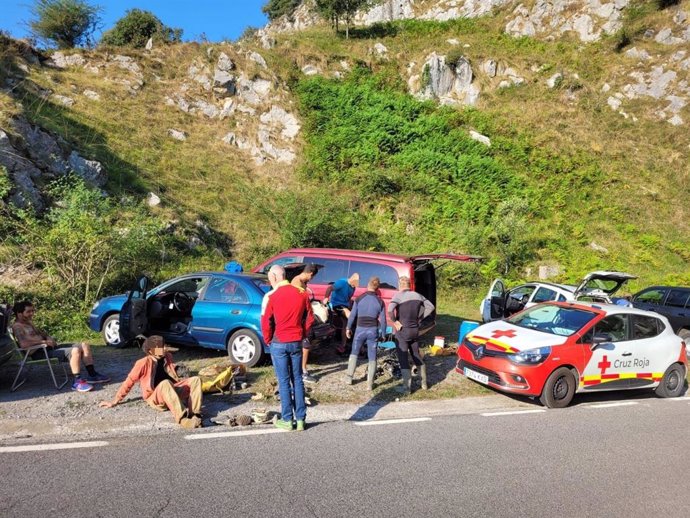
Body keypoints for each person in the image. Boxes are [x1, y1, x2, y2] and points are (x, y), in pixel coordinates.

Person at [99, 335, 203, 429]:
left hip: (172, 391)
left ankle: (194, 415)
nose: (163, 349)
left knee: (196, 380)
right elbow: (129, 382)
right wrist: (115, 400)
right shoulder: (142, 363)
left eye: (163, 346)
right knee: (165, 383)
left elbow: (170, 371)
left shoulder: (168, 357)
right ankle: (183, 419)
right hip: (156, 397)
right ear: (150, 351)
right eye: (159, 348)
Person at [12, 300, 110, 392]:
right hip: (40, 353)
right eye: (28, 311)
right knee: (75, 350)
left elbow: (43, 333)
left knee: (84, 345)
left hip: (48, 348)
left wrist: (48, 338)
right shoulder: (17, 327)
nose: (32, 313)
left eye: (33, 311)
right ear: (19, 313)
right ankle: (77, 382)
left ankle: (92, 375)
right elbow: (24, 344)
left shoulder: (29, 323)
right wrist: (44, 342)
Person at [262, 274, 315, 431]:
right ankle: (300, 420)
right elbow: (310, 318)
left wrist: (268, 339)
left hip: (279, 342)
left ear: (275, 277)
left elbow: (266, 320)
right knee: (297, 379)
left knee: (284, 381)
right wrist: (302, 334)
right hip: (296, 341)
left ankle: (287, 419)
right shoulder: (302, 294)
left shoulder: (273, 295)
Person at [387, 276, 435, 394]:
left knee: (403, 358)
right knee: (416, 354)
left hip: (403, 330)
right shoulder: (418, 295)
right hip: (415, 330)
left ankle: (406, 388)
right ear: (409, 285)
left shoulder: (398, 296)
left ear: (400, 285)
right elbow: (431, 307)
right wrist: (420, 317)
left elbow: (390, 310)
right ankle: (424, 384)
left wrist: (395, 322)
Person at [345, 276, 387, 390]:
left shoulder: (359, 298)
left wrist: (348, 328)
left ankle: (349, 378)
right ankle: (369, 383)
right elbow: (383, 320)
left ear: (368, 285)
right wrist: (383, 334)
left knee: (354, 352)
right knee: (372, 356)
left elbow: (352, 315)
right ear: (377, 288)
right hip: (372, 330)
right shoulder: (380, 301)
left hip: (360, 330)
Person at [291, 263, 319, 384]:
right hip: (299, 319)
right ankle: (302, 372)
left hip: (303, 318)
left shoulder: (301, 282)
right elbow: (297, 301)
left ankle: (302, 370)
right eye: (312, 277)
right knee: (305, 346)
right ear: (310, 274)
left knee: (306, 345)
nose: (311, 279)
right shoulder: (297, 282)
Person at [324, 272, 360, 354]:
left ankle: (343, 345)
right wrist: (326, 298)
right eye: (354, 285)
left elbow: (348, 298)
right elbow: (330, 288)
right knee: (350, 316)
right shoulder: (342, 282)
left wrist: (350, 307)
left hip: (345, 305)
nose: (354, 287)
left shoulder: (353, 287)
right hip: (336, 304)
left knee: (346, 322)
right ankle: (353, 336)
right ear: (351, 280)